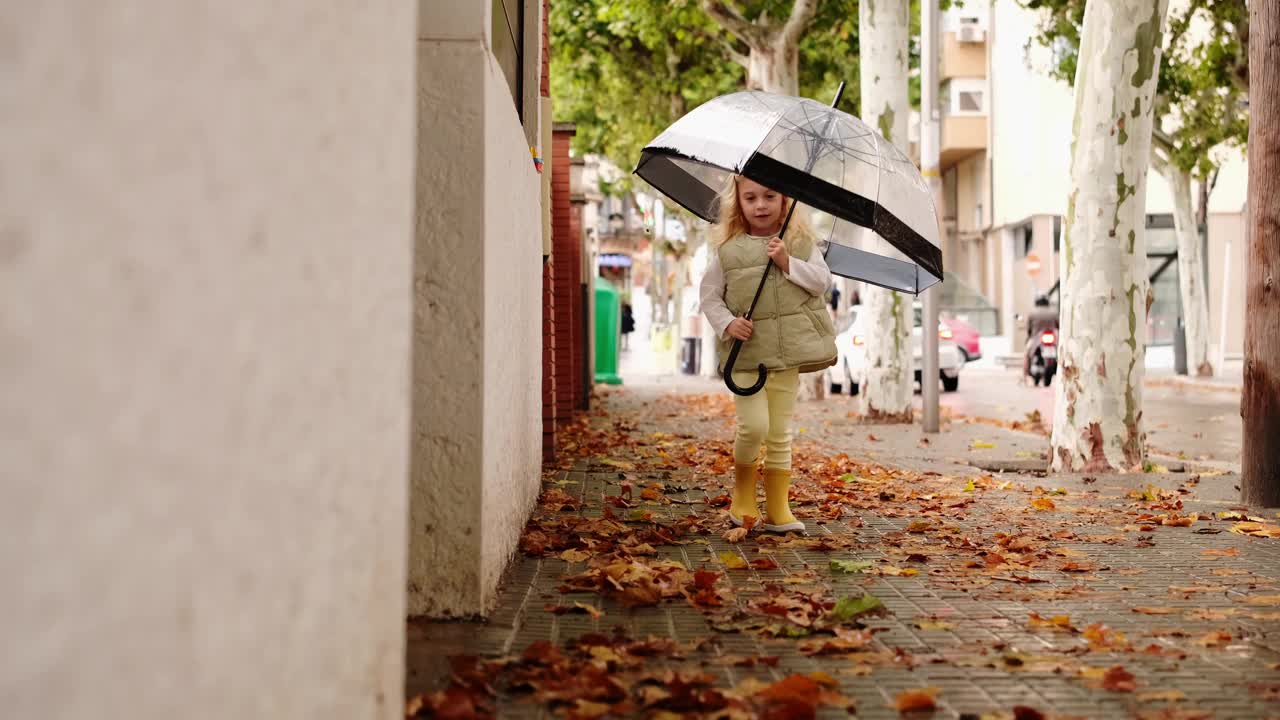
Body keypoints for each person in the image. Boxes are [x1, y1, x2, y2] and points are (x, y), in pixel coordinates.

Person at [698, 176, 837, 533]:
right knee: (753, 426)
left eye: (769, 196)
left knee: (779, 431)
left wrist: (787, 262)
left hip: (786, 354)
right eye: (751, 197)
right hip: (745, 356)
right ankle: (743, 496)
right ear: (739, 204)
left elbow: (822, 282)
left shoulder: (800, 244)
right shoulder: (729, 250)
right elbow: (710, 296)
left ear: (784, 200)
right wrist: (728, 324)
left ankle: (778, 507)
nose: (760, 205)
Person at [1022, 294, 1058, 380]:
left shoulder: (1032, 312)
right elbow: (1058, 325)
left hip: (1036, 338)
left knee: (1027, 353)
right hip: (1052, 338)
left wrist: (1029, 335)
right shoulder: (1054, 312)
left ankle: (1025, 374)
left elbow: (1029, 327)